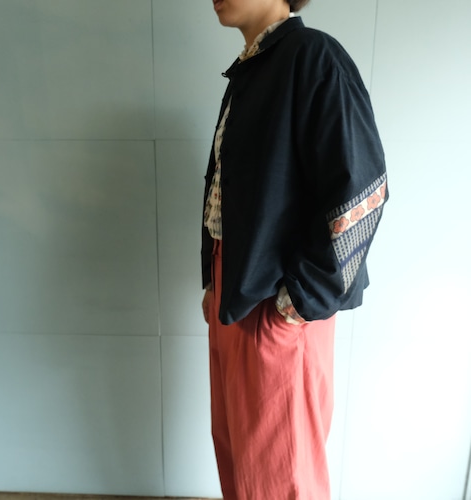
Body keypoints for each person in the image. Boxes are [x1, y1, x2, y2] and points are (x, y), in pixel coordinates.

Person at [201, 0, 388, 498]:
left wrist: (298, 305)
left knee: (282, 477)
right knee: (238, 463)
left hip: (276, 306)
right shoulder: (249, 71)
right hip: (234, 292)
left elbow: (363, 193)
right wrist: (211, 281)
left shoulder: (313, 56)